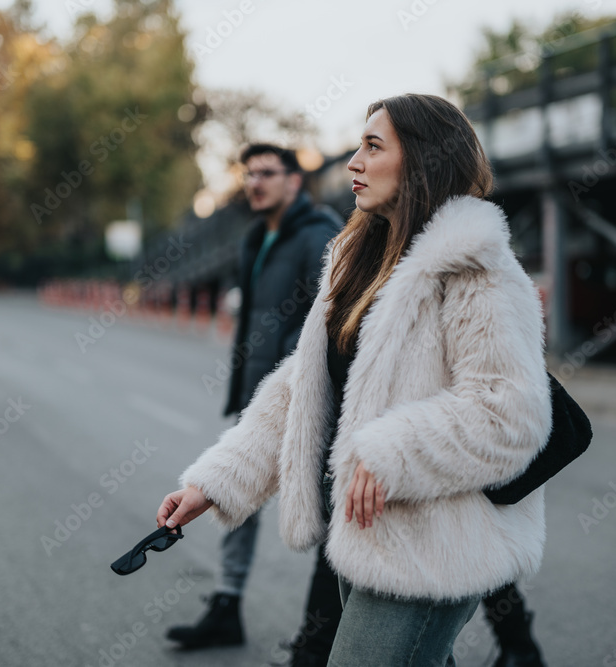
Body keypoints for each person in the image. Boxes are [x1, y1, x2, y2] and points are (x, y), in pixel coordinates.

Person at [158, 94, 552, 666]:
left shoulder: (478, 270)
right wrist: (216, 483)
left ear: (423, 159)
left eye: (373, 146)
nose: (352, 163)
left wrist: (388, 451)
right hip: (368, 534)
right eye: (357, 146)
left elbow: (508, 415)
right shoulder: (358, 260)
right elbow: (305, 388)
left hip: (434, 550)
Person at [165, 143, 344, 667]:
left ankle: (322, 641)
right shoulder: (253, 239)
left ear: (295, 182)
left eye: (267, 173)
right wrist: (244, 384)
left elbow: (328, 323)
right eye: (249, 174)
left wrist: (293, 383)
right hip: (257, 391)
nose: (255, 183)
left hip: (307, 397)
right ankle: (227, 604)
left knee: (329, 517)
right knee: (232, 495)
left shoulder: (320, 237)